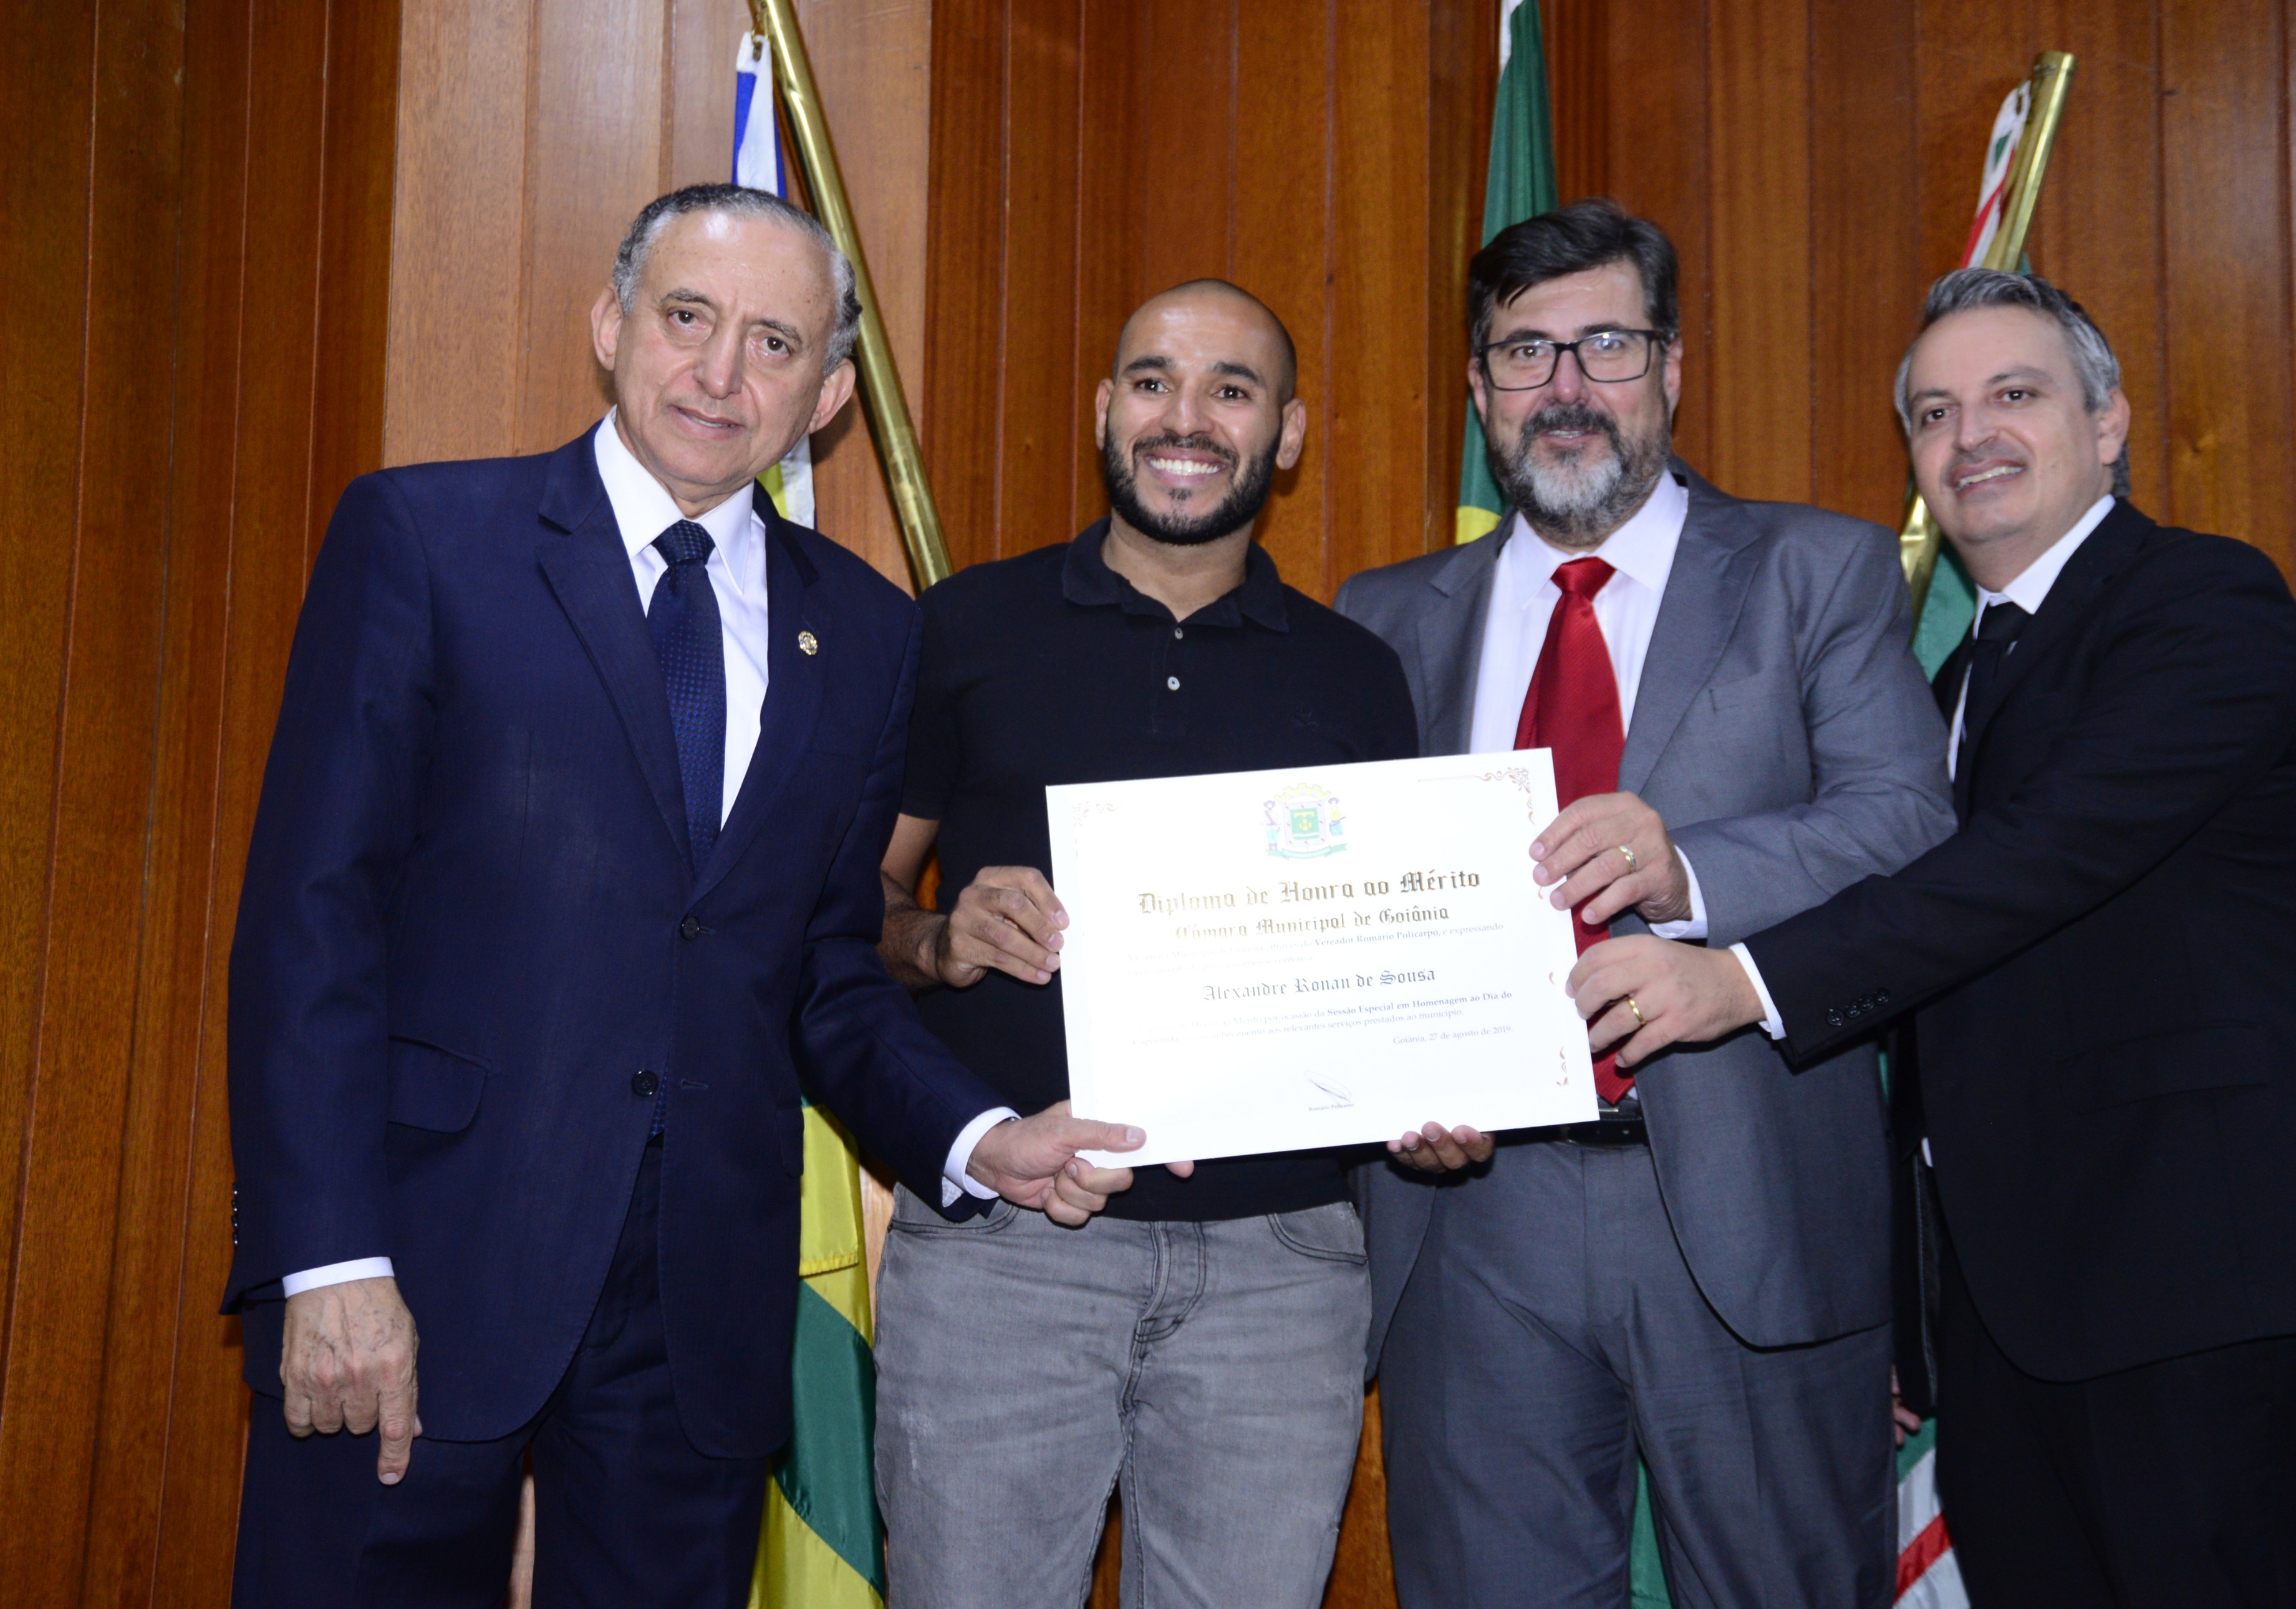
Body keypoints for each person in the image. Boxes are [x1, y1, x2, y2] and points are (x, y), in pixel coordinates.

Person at [221, 183, 1141, 1608]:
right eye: (688, 317)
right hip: (419, 1263)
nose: (721, 373)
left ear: (828, 396)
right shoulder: (426, 538)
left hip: (695, 1315)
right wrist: (328, 1254)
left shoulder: (869, 632)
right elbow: (311, 919)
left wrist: (976, 1135)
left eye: (775, 343)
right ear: (611, 324)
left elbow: (823, 965)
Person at [1578, 267, 2296, 1608]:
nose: (1973, 437)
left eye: (2014, 395)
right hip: (2007, 1323)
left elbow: (2032, 866)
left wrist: (1742, 979)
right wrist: (1916, 1310)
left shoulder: (2201, 604)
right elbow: (1939, 1025)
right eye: (1935, 414)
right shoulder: (1951, 683)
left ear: (2109, 422)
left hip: (2202, 1287)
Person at [1331, 198, 1956, 1609]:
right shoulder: (1383, 615)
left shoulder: (1815, 569)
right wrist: (1384, 1074)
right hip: (1469, 1222)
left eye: (1605, 346)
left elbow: (1911, 823)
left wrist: (1694, 875)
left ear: (1671, 367)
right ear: (1481, 388)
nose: (1565, 387)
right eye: (1525, 353)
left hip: (1747, 1200)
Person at [871, 279, 1422, 1609]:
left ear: (1287, 433)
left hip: (1282, 1269)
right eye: (1153, 381)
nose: (1187, 418)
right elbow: (854, 907)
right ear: (1103, 411)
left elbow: (1392, 966)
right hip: (1006, 1244)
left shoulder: (1357, 673)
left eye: (1232, 389)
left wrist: (1432, 1086)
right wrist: (938, 935)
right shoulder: (964, 628)